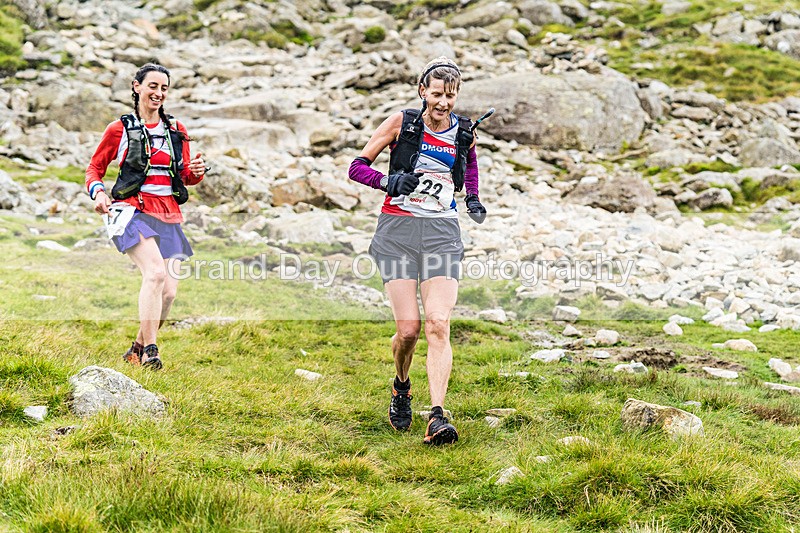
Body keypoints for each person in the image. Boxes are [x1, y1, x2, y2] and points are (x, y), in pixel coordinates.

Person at [348, 57, 487, 445]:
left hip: (442, 232)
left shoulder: (462, 132)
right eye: (437, 94)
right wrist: (389, 181)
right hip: (398, 231)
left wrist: (473, 198)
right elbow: (356, 167)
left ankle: (438, 416)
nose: (444, 102)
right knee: (408, 330)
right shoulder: (402, 123)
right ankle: (401, 385)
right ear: (423, 91)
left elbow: (470, 165)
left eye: (451, 95)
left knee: (438, 324)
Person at [85, 63, 208, 370]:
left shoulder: (177, 130)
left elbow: (185, 177)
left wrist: (195, 174)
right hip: (132, 211)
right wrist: (98, 192)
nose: (158, 93)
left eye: (164, 88)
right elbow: (94, 169)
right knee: (154, 274)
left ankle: (136, 349)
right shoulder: (119, 129)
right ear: (137, 86)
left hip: (168, 212)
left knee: (168, 292)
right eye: (153, 86)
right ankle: (152, 351)